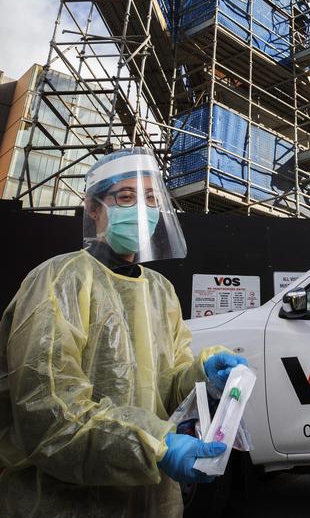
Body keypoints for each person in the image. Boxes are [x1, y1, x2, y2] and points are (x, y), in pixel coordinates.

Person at [0, 146, 248, 518]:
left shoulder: (159, 290)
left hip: (153, 498)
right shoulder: (59, 281)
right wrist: (156, 446)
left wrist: (201, 375)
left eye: (150, 198)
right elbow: (48, 408)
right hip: (68, 502)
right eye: (126, 197)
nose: (141, 210)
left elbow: (168, 381)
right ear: (94, 209)